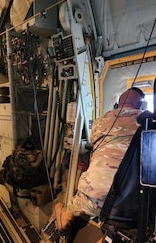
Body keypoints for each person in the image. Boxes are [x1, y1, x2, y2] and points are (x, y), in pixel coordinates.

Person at [53, 87, 145, 232]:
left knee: (76, 203)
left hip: (92, 197)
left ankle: (66, 217)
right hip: (127, 205)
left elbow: (93, 139)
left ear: (118, 103)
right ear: (140, 105)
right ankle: (111, 232)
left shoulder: (100, 121)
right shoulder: (146, 121)